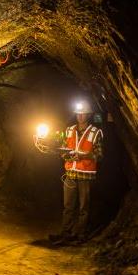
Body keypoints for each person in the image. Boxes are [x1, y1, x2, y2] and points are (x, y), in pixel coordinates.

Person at [49, 101, 103, 244]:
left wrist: (83, 156)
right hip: (70, 173)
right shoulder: (69, 130)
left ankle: (79, 235)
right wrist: (64, 155)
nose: (80, 116)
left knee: (83, 207)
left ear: (88, 115)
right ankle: (65, 233)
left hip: (85, 174)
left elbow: (99, 155)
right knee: (68, 206)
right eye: (78, 113)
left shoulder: (95, 132)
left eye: (83, 113)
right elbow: (64, 149)